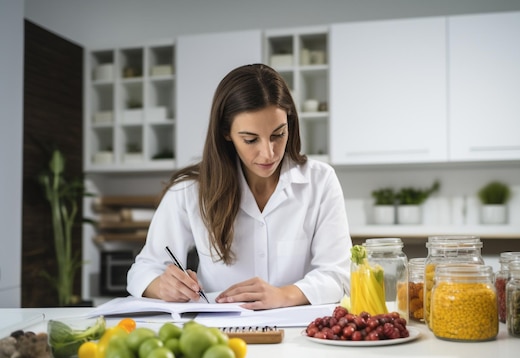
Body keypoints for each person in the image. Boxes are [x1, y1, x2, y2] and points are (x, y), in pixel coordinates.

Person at [127, 63, 352, 310]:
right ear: (226, 133)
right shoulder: (189, 191)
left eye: (278, 134)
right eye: (250, 139)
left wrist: (284, 295)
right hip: (218, 335)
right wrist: (162, 286)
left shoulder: (320, 181)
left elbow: (339, 275)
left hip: (300, 335)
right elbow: (143, 270)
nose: (268, 153)